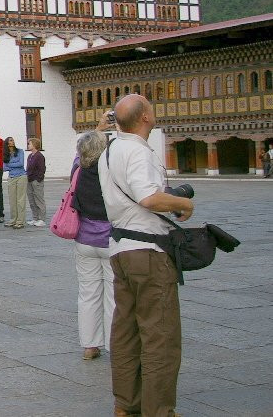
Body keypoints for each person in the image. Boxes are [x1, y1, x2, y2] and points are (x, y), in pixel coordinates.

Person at [99, 94, 194, 417]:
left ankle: (126, 403)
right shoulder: (138, 151)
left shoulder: (109, 151)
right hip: (148, 251)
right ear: (144, 118)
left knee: (126, 330)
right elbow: (148, 198)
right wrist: (183, 204)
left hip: (120, 249)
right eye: (150, 109)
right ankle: (159, 410)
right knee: (159, 333)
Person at [70, 128, 113, 361]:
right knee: (113, 295)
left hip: (84, 239)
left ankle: (90, 345)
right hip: (109, 239)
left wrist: (97, 127)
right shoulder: (110, 171)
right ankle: (114, 344)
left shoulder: (78, 169)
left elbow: (81, 152)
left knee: (88, 294)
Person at [3, 136, 28, 229]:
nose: (12, 142)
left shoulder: (20, 151)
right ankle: (13, 219)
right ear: (7, 143)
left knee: (20, 199)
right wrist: (12, 165)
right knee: (12, 199)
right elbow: (4, 168)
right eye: (10, 140)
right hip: (11, 177)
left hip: (21, 176)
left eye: (13, 140)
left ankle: (20, 220)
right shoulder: (5, 154)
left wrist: (10, 165)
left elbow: (21, 163)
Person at [26, 137, 47, 227]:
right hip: (29, 180)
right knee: (32, 200)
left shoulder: (39, 156)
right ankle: (35, 218)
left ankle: (42, 219)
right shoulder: (30, 156)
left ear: (34, 145)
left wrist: (38, 179)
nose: (28, 145)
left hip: (36, 180)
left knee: (39, 200)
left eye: (29, 143)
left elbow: (42, 169)